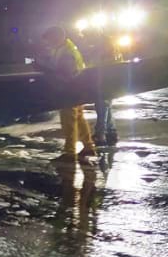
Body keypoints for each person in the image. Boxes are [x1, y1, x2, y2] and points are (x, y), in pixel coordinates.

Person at [41, 26, 98, 164]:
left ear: (57, 37)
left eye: (49, 40)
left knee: (69, 122)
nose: (48, 43)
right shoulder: (65, 48)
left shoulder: (66, 51)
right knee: (79, 119)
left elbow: (65, 72)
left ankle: (70, 153)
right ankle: (89, 147)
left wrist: (44, 67)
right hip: (76, 90)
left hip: (69, 90)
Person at [80, 29, 122, 146]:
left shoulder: (102, 50)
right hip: (109, 83)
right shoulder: (110, 48)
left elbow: (98, 67)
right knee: (106, 107)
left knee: (102, 108)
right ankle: (111, 132)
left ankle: (100, 134)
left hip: (103, 83)